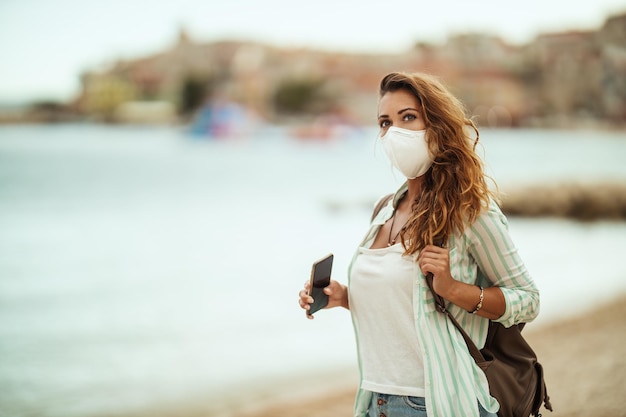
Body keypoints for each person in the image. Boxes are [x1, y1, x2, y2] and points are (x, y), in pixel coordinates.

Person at [297, 71, 539, 417]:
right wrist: (344, 297)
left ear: (438, 126)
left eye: (407, 117)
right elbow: (410, 308)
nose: (393, 132)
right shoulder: (385, 209)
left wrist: (454, 289)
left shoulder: (472, 212)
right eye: (384, 122)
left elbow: (528, 300)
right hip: (375, 400)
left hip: (440, 403)